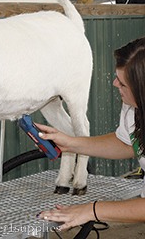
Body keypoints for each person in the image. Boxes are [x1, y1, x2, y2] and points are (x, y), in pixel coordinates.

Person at [36, 36, 145, 230]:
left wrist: (92, 210)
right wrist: (71, 143)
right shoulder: (133, 107)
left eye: (123, 84)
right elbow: (127, 143)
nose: (114, 84)